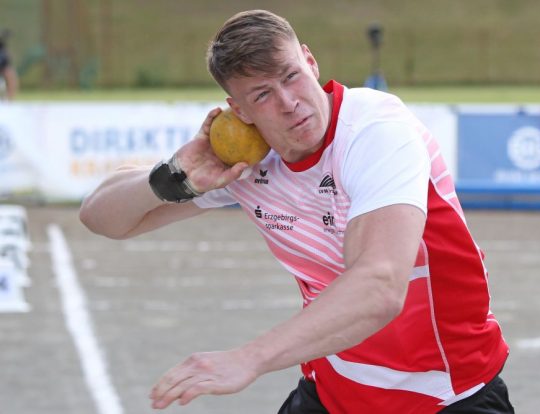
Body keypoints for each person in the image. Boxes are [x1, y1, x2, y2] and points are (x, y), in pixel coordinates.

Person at [79, 9, 514, 414]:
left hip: (448, 394)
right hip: (333, 390)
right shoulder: (244, 164)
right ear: (239, 110)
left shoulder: (375, 130)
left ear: (311, 61)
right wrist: (173, 176)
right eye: (263, 94)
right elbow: (101, 217)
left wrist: (250, 359)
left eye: (291, 76)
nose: (288, 102)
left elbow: (380, 285)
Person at [0, 30, 19, 100]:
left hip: (3, 68)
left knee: (10, 73)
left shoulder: (2, 50)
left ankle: (8, 99)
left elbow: (7, 62)